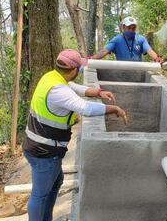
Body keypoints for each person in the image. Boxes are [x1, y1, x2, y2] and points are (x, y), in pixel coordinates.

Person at [22, 49, 127, 221]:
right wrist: (113, 109)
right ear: (74, 70)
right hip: (44, 152)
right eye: (79, 68)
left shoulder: (51, 78)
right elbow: (86, 108)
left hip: (39, 146)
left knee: (55, 183)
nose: (80, 71)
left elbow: (76, 88)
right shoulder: (59, 90)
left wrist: (99, 92)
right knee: (40, 195)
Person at [89, 16, 163, 63]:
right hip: (121, 70)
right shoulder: (116, 40)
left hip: (138, 70)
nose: (131, 30)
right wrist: (93, 58)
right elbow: (105, 50)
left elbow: (149, 50)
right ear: (123, 27)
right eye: (129, 28)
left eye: (133, 28)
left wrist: (156, 58)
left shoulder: (141, 39)